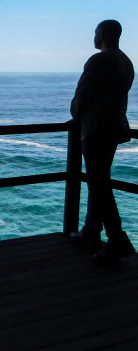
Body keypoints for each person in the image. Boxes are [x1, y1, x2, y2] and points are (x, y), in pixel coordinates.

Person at [70, 19, 135, 265]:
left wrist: (75, 113)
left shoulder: (99, 61)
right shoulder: (126, 62)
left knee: (99, 186)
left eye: (96, 34)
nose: (94, 38)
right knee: (100, 182)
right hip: (114, 129)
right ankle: (90, 231)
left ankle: (117, 241)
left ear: (103, 36)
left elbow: (82, 96)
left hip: (95, 130)